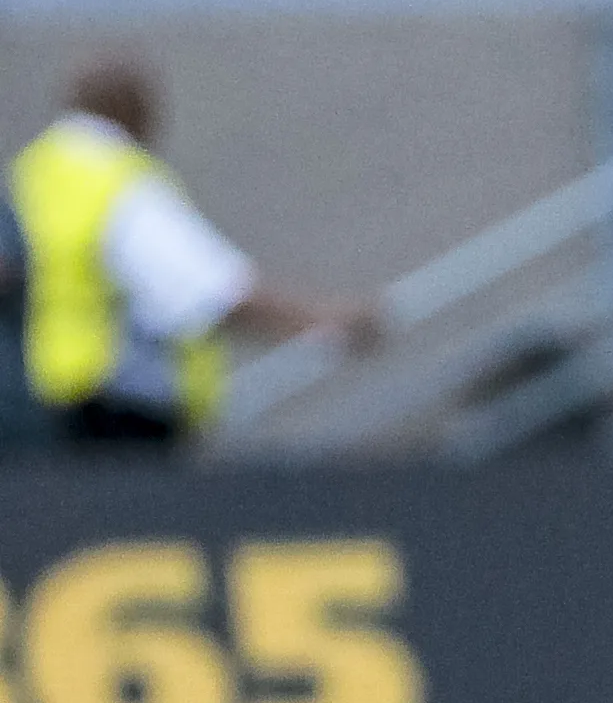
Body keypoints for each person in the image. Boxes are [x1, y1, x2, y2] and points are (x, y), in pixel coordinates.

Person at [10, 58, 376, 449]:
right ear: (131, 108)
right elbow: (213, 289)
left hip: (39, 401)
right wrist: (322, 324)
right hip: (120, 408)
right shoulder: (117, 182)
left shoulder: (32, 174)